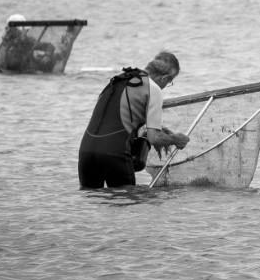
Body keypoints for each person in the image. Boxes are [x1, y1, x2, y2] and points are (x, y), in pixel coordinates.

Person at [78, 51, 190, 188]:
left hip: (86, 152)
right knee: (127, 205)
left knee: (92, 203)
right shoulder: (153, 89)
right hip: (114, 152)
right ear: (165, 78)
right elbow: (153, 138)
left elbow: (117, 120)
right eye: (169, 82)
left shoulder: (118, 79)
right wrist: (176, 139)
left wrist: (159, 131)